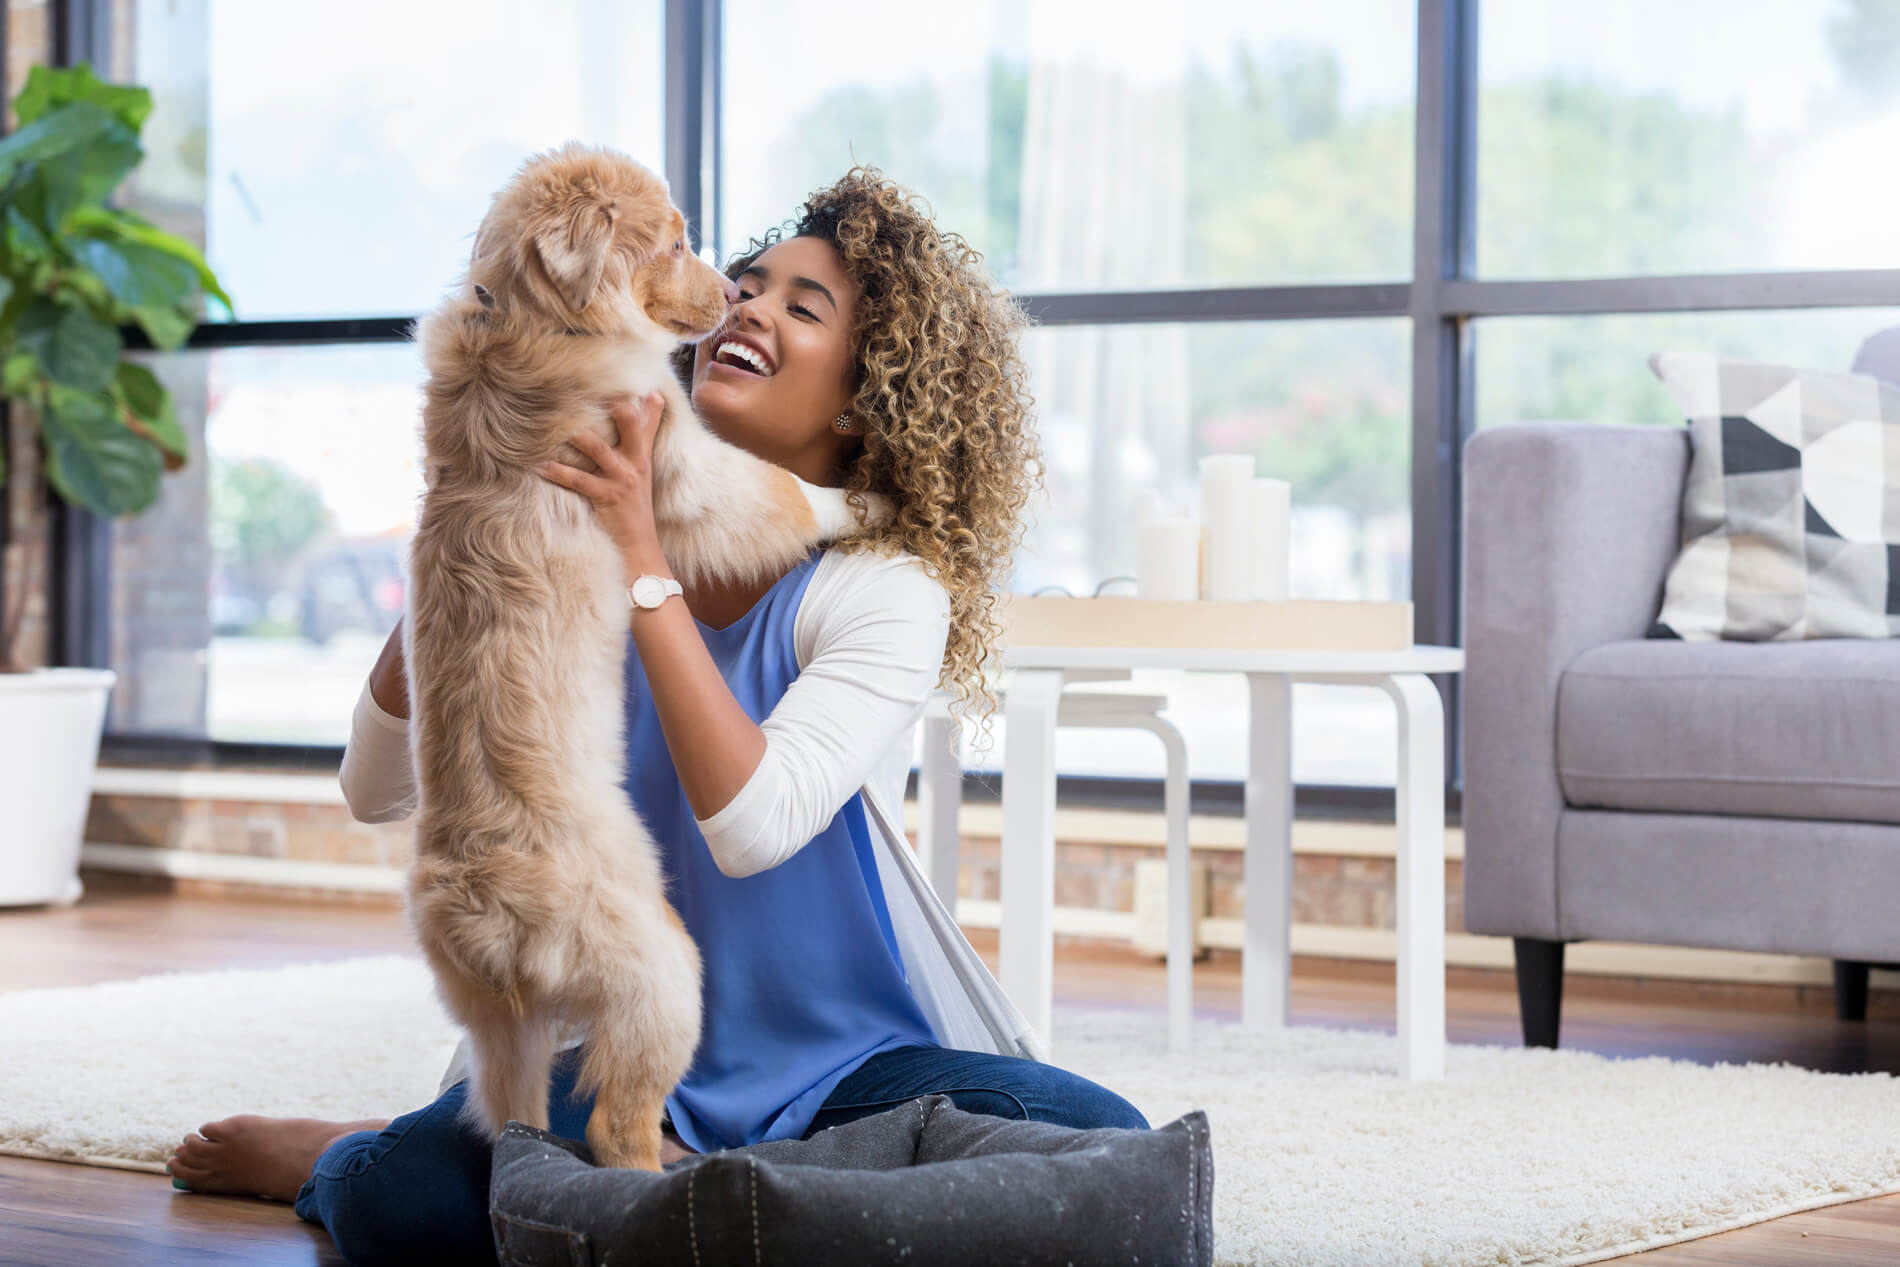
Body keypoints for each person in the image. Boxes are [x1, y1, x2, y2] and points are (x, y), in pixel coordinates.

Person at [164, 167, 1148, 1265]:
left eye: (800, 307)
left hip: (842, 1062)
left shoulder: (882, 589)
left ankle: (659, 1191)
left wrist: (642, 554)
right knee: (400, 1206)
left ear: (868, 394)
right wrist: (464, 521)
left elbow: (751, 825)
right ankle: (353, 1154)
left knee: (1105, 1144)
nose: (745, 303)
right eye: (752, 281)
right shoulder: (553, 527)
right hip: (617, 1040)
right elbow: (374, 789)